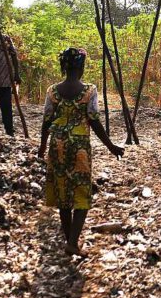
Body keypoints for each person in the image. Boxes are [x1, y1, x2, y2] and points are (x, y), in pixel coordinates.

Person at [38, 47, 124, 256]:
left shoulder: (52, 91)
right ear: (81, 66)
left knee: (63, 193)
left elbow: (46, 121)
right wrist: (111, 146)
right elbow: (93, 120)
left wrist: (41, 146)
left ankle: (70, 241)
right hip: (79, 147)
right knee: (81, 192)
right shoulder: (89, 91)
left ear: (64, 66)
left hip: (57, 145)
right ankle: (73, 243)